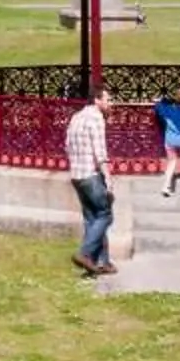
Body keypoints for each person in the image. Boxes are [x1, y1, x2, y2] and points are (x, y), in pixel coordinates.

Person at [66, 87, 114, 275]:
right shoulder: (96, 118)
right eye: (107, 99)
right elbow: (100, 152)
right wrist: (108, 178)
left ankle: (102, 262)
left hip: (76, 175)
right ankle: (85, 254)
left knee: (92, 219)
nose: (110, 103)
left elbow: (67, 146)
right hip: (91, 175)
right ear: (97, 100)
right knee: (105, 215)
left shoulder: (76, 117)